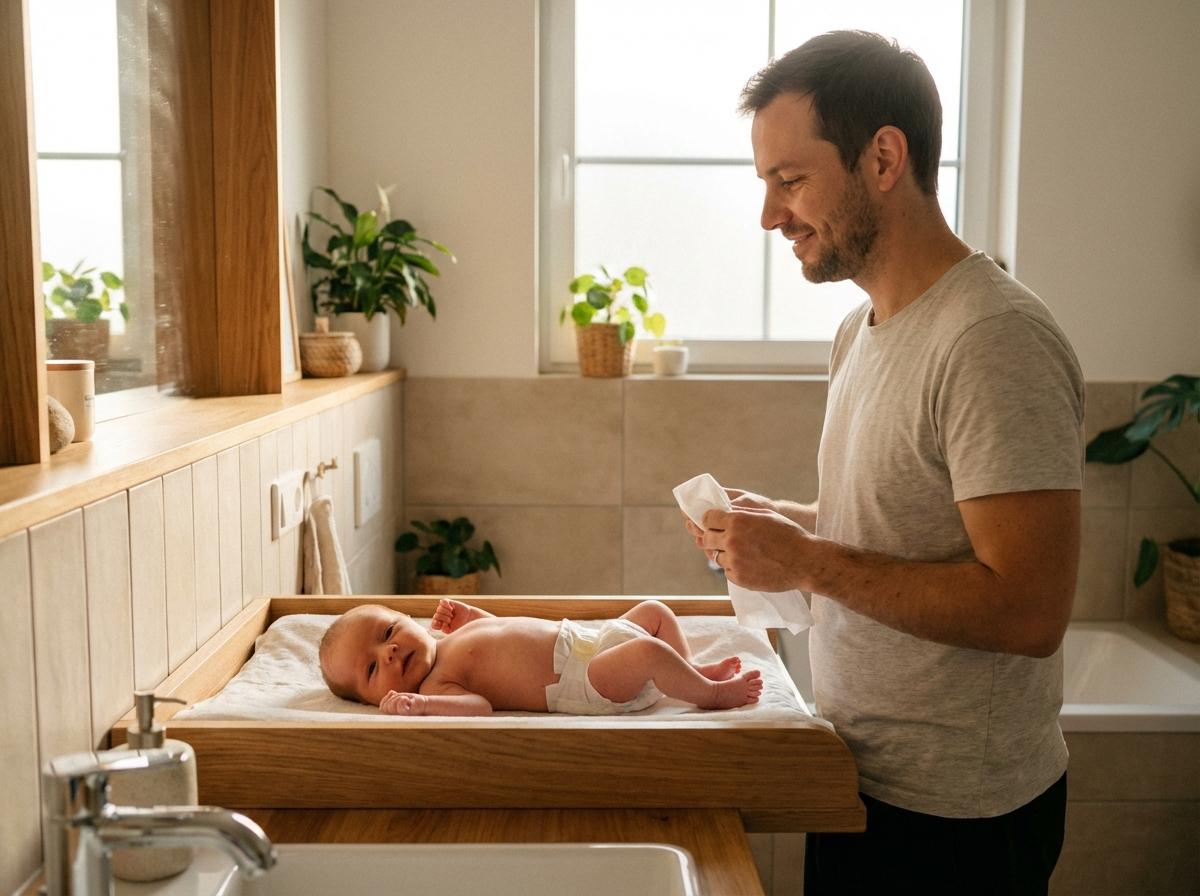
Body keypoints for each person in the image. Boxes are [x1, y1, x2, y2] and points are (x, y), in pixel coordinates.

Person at [683, 30, 1084, 895]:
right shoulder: (859, 332)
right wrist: (785, 526)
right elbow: (906, 528)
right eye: (766, 185)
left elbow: (1028, 609)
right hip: (864, 780)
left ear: (884, 158)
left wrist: (806, 561)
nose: (770, 216)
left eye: (789, 181)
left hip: (961, 821)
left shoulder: (993, 339)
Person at [319, 597, 762, 716]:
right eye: (374, 667)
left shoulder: (450, 641)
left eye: (389, 631)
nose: (391, 650)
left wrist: (475, 617)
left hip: (588, 638)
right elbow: (481, 707)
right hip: (586, 678)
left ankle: (687, 670)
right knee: (647, 651)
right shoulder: (438, 684)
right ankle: (710, 694)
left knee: (654, 612)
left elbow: (507, 634)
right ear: (376, 699)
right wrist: (424, 705)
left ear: (407, 619)